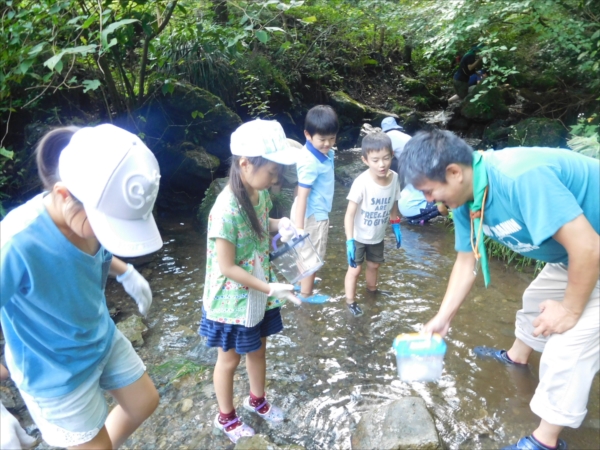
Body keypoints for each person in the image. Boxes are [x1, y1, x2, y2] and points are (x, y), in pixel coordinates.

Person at [398, 129, 599, 450]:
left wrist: (571, 310)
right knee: (535, 300)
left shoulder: (520, 177)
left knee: (569, 347)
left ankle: (544, 441)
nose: (428, 201)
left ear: (453, 173)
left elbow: (589, 248)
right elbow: (467, 262)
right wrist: (443, 317)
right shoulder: (467, 197)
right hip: (574, 252)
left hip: (590, 248)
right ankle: (517, 358)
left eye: (428, 191)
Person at [1, 124, 163, 449]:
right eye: (105, 225)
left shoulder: (91, 216)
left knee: (144, 401)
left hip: (99, 337)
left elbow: (92, 252)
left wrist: (125, 272)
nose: (107, 234)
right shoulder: (16, 243)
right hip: (55, 371)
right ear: (63, 194)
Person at [198, 119, 301, 444]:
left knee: (258, 348)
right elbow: (226, 267)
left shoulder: (259, 194)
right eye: (272, 172)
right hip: (231, 300)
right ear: (245, 163)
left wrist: (280, 224)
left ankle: (257, 399)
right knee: (228, 359)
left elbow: (263, 223)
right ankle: (225, 417)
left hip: (257, 292)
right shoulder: (225, 210)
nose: (276, 179)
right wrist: (270, 287)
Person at [344, 132, 402, 317]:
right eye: (375, 160)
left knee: (374, 265)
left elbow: (394, 203)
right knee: (355, 269)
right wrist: (349, 241)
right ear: (365, 160)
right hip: (359, 235)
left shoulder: (394, 178)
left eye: (386, 158)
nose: (382, 164)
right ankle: (350, 302)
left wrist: (396, 225)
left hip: (377, 234)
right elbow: (349, 214)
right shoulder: (361, 182)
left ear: (392, 154)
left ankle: (372, 291)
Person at [291, 105, 339, 303]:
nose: (328, 144)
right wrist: (300, 227)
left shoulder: (317, 152)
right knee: (313, 257)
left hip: (307, 211)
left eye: (332, 138)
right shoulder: (310, 161)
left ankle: (301, 282)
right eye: (323, 139)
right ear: (308, 135)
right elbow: (302, 195)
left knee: (304, 252)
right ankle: (306, 295)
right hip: (313, 215)